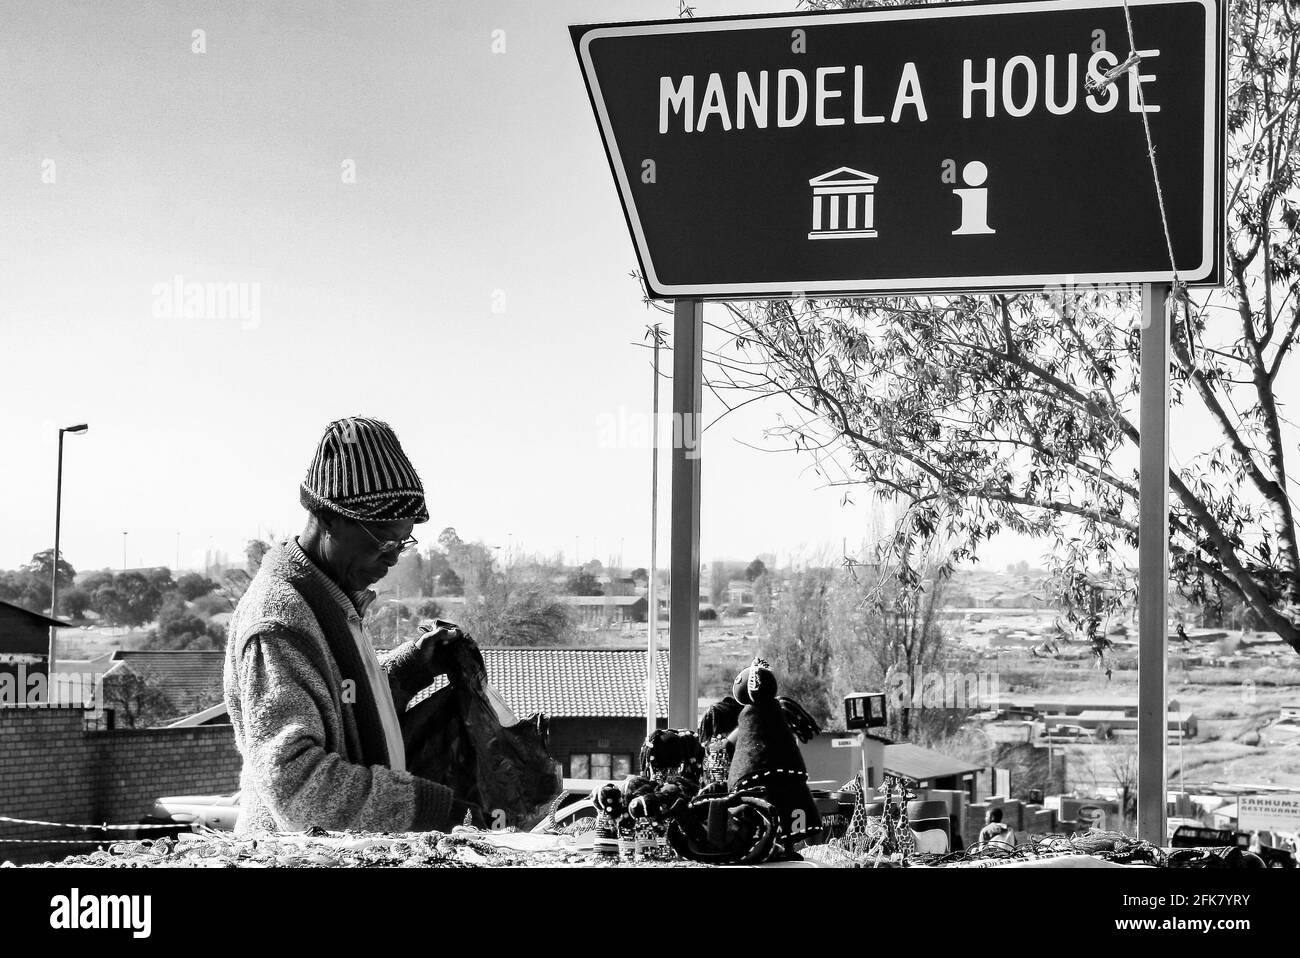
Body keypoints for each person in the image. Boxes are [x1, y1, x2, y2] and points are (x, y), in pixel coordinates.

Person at [223, 416, 480, 835]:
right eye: (384, 540)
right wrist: (429, 809)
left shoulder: (332, 597)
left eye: (405, 541)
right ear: (328, 519)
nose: (394, 557)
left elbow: (343, 707)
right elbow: (295, 784)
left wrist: (411, 667)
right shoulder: (280, 620)